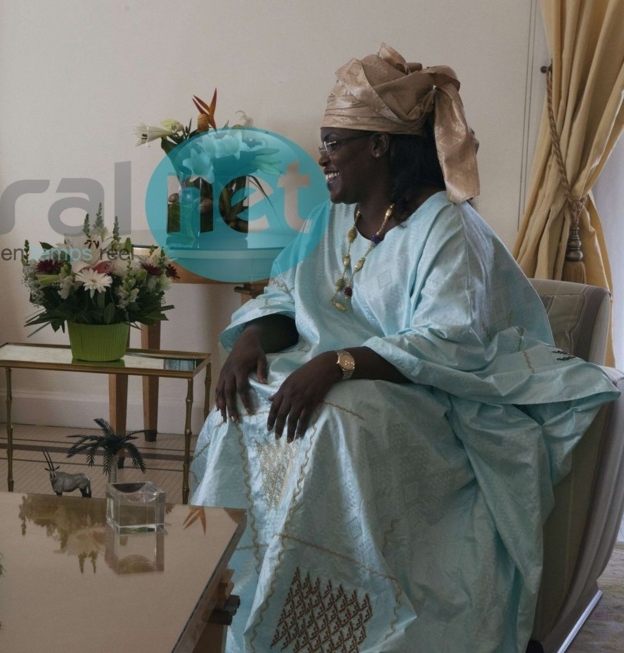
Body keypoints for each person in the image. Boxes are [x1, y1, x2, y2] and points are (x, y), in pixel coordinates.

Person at [189, 44, 620, 652]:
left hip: (435, 392)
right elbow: (287, 294)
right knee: (239, 402)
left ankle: (338, 613)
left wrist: (334, 364)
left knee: (335, 422)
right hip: (348, 377)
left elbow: (449, 338)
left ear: (379, 145)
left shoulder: (445, 223)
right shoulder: (332, 218)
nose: (322, 157)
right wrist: (249, 343)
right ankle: (241, 589)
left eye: (334, 142)